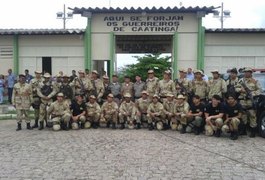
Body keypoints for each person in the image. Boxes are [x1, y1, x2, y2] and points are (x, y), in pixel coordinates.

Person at [237, 67, 262, 137]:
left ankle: (253, 132)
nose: (246, 73)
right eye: (245, 72)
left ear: (251, 73)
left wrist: (252, 94)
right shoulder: (241, 80)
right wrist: (240, 90)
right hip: (242, 101)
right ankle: (243, 131)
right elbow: (236, 88)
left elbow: (259, 90)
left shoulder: (255, 81)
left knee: (252, 116)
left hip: (251, 101)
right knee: (243, 116)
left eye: (248, 72)